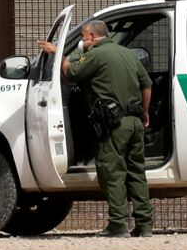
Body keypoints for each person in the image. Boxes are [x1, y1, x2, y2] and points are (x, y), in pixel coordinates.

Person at [40, 19, 154, 237]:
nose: (83, 41)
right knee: (137, 172)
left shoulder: (96, 55)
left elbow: (71, 72)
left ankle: (119, 224)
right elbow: (146, 84)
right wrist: (145, 112)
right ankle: (144, 224)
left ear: (92, 36)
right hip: (135, 122)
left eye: (83, 37)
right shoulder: (128, 54)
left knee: (112, 172)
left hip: (113, 125)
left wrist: (57, 52)